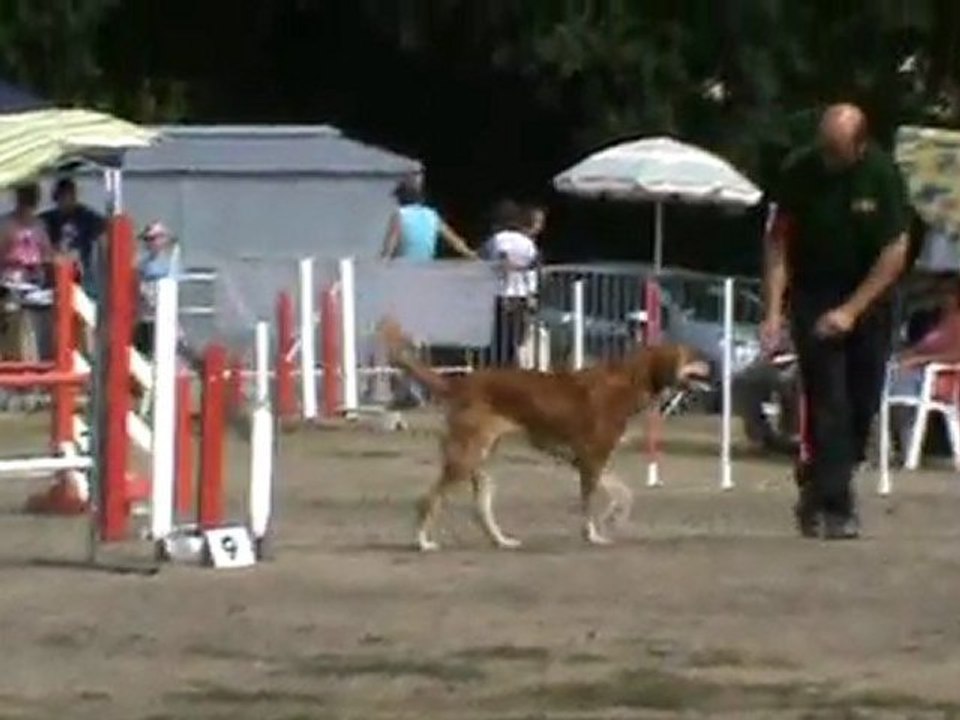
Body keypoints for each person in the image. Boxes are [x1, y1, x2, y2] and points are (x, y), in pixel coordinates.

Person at [762, 103, 910, 540]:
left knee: (863, 404)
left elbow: (895, 251)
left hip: (871, 296)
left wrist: (852, 310)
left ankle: (815, 480)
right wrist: (774, 310)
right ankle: (836, 507)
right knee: (830, 402)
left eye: (836, 151)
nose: (826, 158)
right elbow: (778, 242)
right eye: (823, 147)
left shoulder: (881, 175)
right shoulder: (800, 172)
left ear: (859, 146)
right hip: (815, 292)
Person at [888, 274, 960, 456]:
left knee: (898, 380)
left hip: (946, 377)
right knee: (888, 373)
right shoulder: (934, 320)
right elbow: (918, 349)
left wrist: (921, 360)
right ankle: (893, 443)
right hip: (922, 372)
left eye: (948, 293)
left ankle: (906, 446)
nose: (942, 298)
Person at [0, 183, 53, 363]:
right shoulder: (6, 224)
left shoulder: (39, 225)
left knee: (46, 312)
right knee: (12, 315)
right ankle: (13, 359)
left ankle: (42, 359)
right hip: (10, 279)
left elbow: (46, 254)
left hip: (35, 280)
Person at [487, 203, 541, 366]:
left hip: (500, 294)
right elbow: (534, 268)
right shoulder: (528, 243)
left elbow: (495, 259)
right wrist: (533, 295)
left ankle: (498, 369)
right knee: (516, 339)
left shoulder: (497, 239)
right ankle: (512, 369)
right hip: (521, 295)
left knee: (498, 339)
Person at [380, 175, 477, 260]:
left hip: (403, 268)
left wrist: (380, 264)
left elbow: (390, 247)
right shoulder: (432, 215)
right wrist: (472, 255)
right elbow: (455, 242)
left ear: (400, 198)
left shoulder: (400, 214)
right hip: (426, 266)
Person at [39, 177, 105, 294]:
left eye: (69, 196)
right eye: (62, 197)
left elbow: (104, 236)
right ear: (56, 198)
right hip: (55, 274)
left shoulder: (86, 216)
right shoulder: (48, 219)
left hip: (82, 274)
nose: (65, 201)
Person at [134, 221, 179, 357]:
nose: (150, 243)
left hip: (164, 316)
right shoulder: (142, 264)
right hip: (145, 318)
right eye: (148, 240)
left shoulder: (170, 262)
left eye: (153, 239)